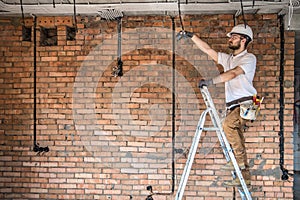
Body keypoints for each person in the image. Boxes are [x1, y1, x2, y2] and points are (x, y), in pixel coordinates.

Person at [177, 24, 257, 187]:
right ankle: (244, 177)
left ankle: (240, 163)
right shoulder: (229, 59)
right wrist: (191, 36)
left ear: (244, 40)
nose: (230, 39)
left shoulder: (249, 58)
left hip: (248, 102)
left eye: (234, 37)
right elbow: (208, 50)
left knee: (227, 125)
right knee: (236, 136)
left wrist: (210, 82)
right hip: (234, 105)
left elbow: (233, 73)